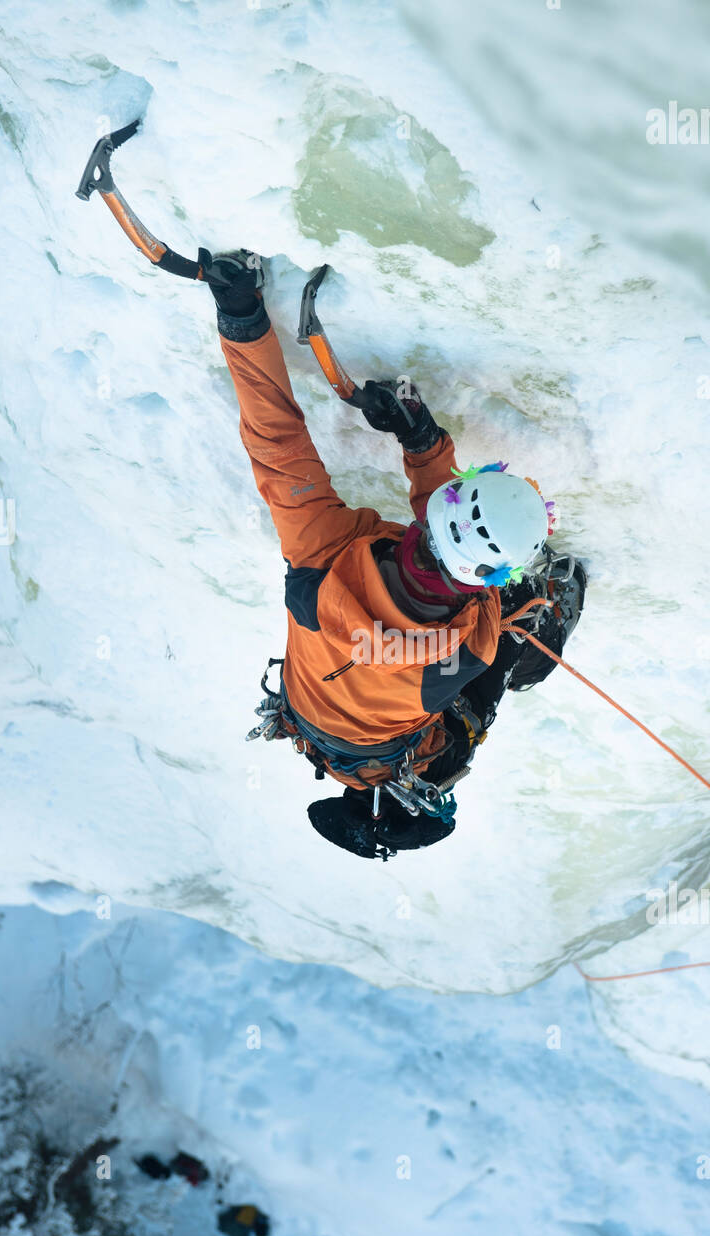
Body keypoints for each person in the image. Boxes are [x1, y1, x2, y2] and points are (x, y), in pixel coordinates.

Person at [209, 253, 585, 859]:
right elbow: (278, 440)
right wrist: (240, 310)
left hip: (374, 739)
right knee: (467, 708)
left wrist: (420, 437)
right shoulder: (464, 627)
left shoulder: (335, 560)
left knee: (472, 706)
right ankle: (536, 645)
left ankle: (542, 637)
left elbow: (276, 440)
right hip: (310, 712)